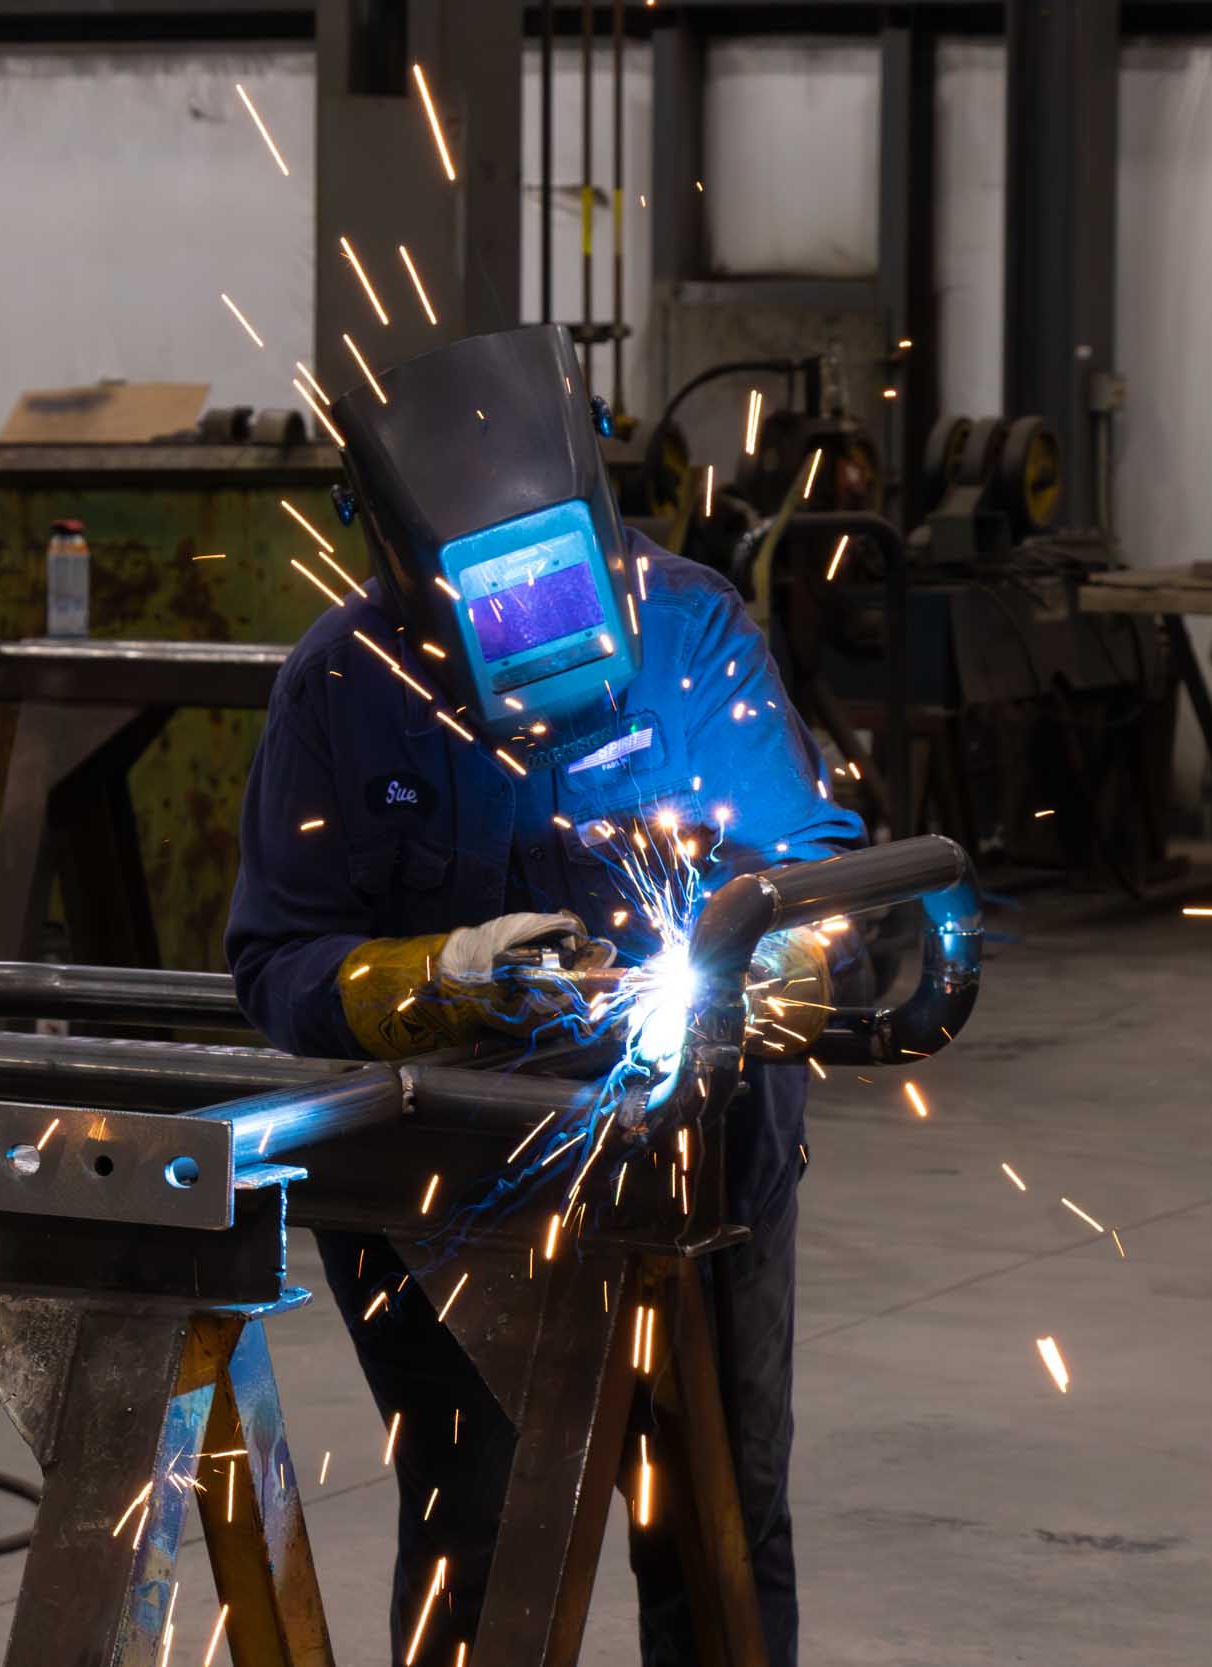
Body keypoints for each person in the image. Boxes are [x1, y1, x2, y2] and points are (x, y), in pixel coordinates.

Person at [226, 323, 860, 1666]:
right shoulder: (339, 689)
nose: (538, 634)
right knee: (476, 1517)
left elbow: (813, 870)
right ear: (401, 566)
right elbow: (275, 962)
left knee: (718, 1517)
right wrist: (435, 976)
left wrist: (793, 961)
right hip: (442, 1181)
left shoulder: (690, 629)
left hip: (704, 1153)